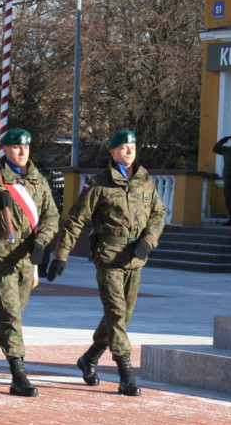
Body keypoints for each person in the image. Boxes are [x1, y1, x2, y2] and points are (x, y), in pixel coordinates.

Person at [46, 130, 167, 396]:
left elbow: (159, 214)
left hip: (136, 257)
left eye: (133, 146)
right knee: (115, 313)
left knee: (123, 316)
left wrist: (148, 241)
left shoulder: (145, 181)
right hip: (109, 257)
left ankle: (89, 358)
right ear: (112, 152)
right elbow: (76, 219)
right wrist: (61, 254)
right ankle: (126, 373)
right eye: (124, 147)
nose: (130, 151)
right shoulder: (99, 183)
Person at [0, 128, 59, 397]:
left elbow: (51, 216)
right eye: (16, 147)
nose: (22, 152)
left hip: (27, 257)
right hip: (1, 255)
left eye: (26, 147)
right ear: (4, 149)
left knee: (12, 314)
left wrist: (43, 243)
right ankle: (18, 374)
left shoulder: (38, 179)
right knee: (9, 315)